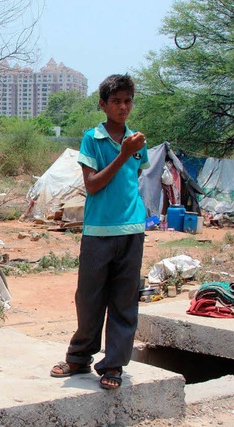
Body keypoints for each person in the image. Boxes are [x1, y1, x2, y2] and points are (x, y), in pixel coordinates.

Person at [49, 74, 149, 389]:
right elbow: (92, 186)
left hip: (131, 229)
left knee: (124, 300)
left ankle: (114, 366)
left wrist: (129, 152)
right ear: (103, 104)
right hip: (98, 231)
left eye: (127, 101)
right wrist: (122, 154)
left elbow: (134, 179)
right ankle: (79, 358)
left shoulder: (137, 141)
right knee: (89, 297)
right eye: (116, 101)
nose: (123, 106)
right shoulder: (92, 139)